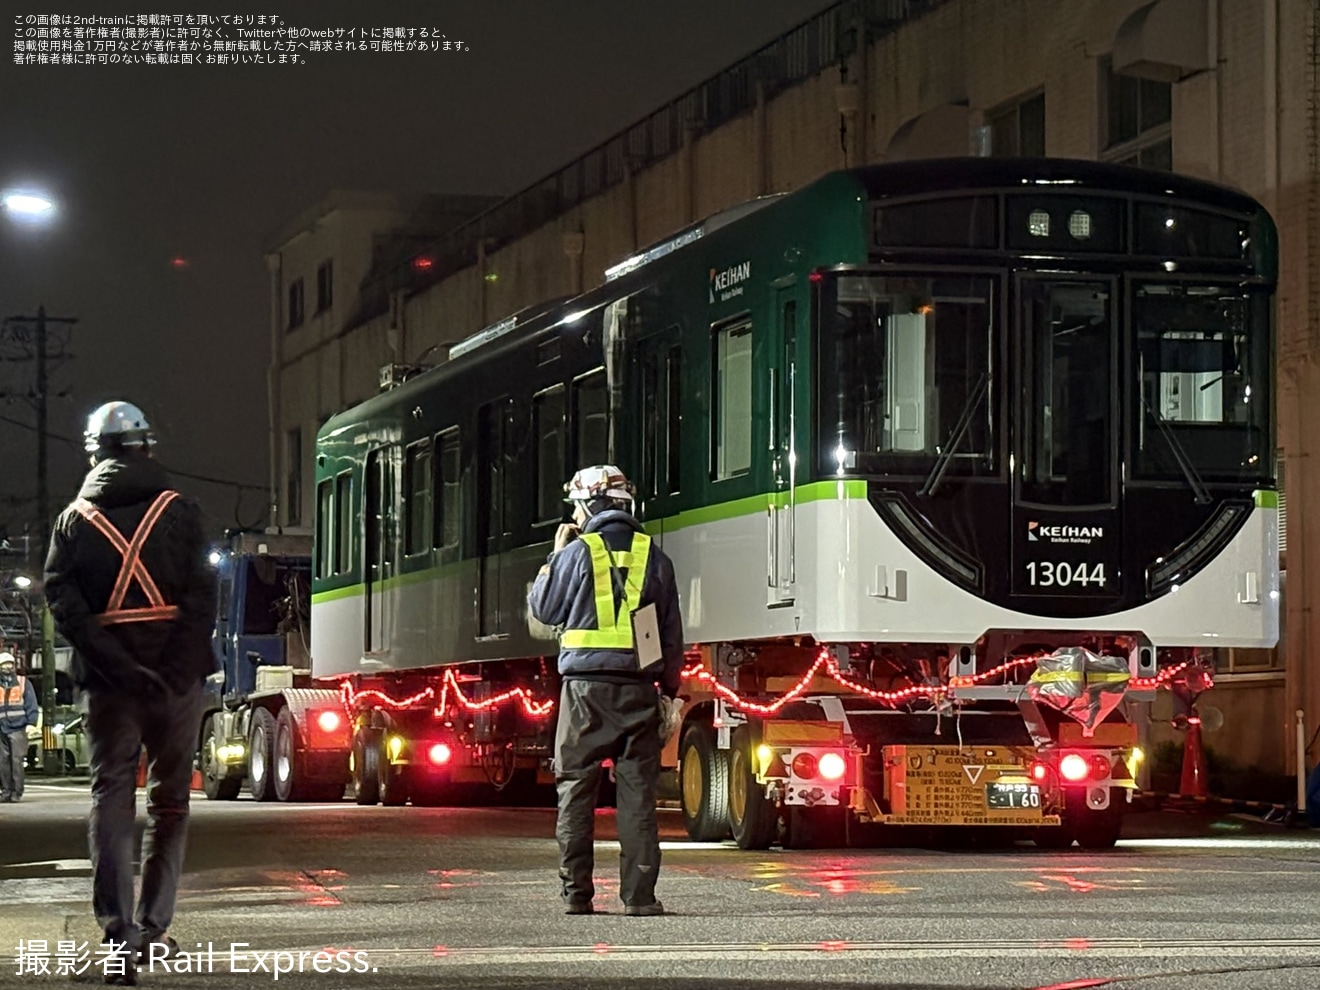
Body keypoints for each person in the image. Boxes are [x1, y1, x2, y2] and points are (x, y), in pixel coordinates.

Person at [44, 401, 218, 985]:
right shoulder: (182, 511)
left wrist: (117, 663)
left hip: (109, 686)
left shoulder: (73, 521)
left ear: (95, 453)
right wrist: (172, 669)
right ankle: (154, 926)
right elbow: (201, 598)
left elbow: (63, 602)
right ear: (146, 447)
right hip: (176, 682)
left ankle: (117, 935)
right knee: (170, 801)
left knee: (111, 798)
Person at [527, 464, 684, 917]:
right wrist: (669, 693)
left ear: (590, 504)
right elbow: (670, 634)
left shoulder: (577, 553)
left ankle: (577, 896)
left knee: (576, 790)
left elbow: (544, 609)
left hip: (583, 694)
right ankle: (640, 898)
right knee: (637, 796)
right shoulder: (654, 557)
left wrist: (555, 557)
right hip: (639, 690)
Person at [0, 651, 38, 802]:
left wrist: (31, 722)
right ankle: (5, 791)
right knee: (2, 761)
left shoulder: (23, 683)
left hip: (18, 728)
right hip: (1, 728)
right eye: (4, 665)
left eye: (9, 664)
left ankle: (16, 792)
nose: (7, 667)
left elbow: (31, 703)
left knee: (16, 761)